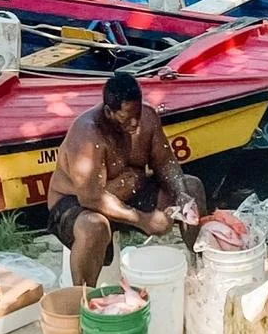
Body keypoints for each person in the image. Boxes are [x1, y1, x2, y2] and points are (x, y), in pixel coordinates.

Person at [47, 70, 206, 286]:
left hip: (129, 191)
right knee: (94, 227)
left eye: (137, 115)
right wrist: (144, 220)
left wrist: (180, 194)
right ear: (108, 112)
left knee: (192, 187)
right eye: (126, 118)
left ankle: (198, 267)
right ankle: (83, 295)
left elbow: (165, 163)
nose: (134, 123)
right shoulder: (87, 134)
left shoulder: (147, 119)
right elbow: (91, 198)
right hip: (76, 202)